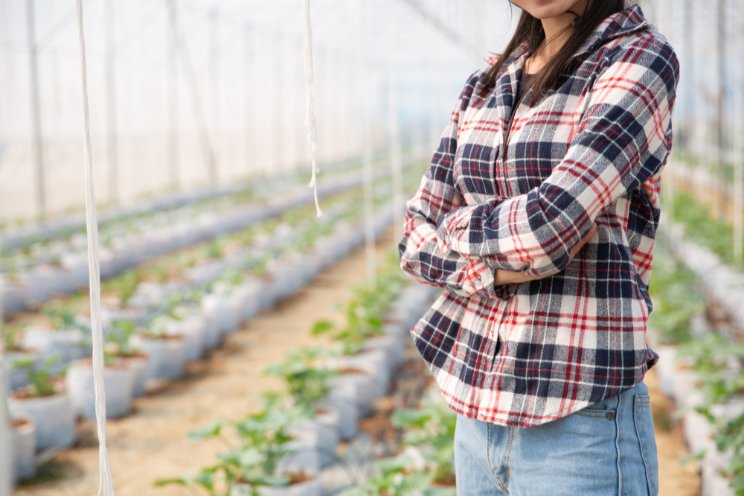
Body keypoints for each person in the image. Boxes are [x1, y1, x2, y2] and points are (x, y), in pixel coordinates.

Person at [397, 0, 679, 494]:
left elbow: (550, 228)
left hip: (578, 419)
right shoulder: (487, 82)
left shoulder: (637, 59)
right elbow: (414, 233)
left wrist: (457, 226)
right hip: (476, 411)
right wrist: (495, 268)